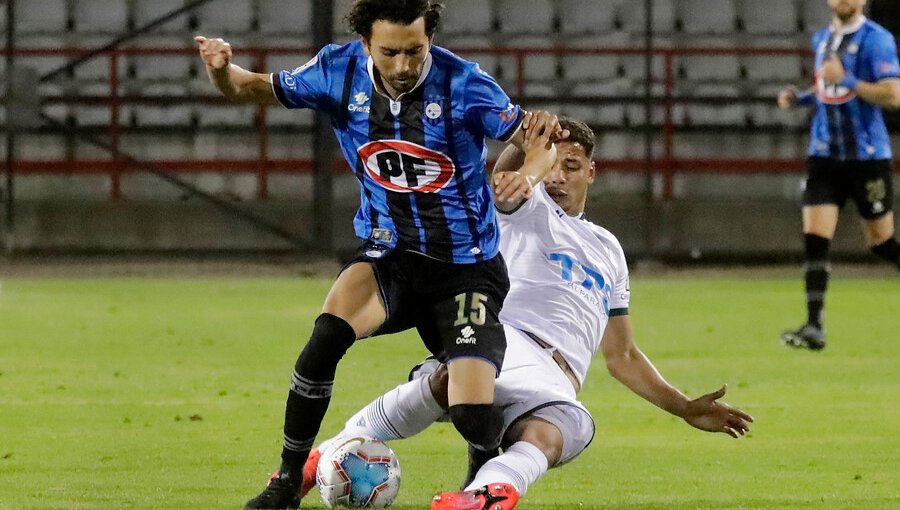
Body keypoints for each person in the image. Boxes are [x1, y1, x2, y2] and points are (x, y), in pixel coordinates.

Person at [196, 1, 566, 508]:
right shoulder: (336, 70)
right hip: (390, 255)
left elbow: (541, 137)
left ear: (428, 41)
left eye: (415, 51)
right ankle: (286, 479)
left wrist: (528, 175)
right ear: (366, 44)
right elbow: (246, 86)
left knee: (470, 409)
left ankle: (481, 467)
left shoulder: (465, 83)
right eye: (390, 52)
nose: (403, 65)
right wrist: (221, 71)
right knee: (324, 339)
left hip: (467, 269)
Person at [301, 118, 755, 510]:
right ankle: (326, 454)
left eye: (571, 167)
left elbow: (623, 356)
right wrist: (527, 133)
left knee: (562, 431)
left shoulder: (609, 250)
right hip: (505, 340)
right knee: (450, 381)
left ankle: (483, 494)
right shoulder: (526, 206)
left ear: (592, 172)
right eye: (552, 165)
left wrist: (683, 408)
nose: (557, 177)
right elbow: (504, 179)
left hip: (556, 382)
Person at [777, 0, 900, 351]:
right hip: (824, 154)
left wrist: (846, 78)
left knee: (882, 244)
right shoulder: (822, 39)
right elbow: (826, 89)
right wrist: (801, 99)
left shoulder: (877, 40)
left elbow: (893, 94)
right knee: (815, 238)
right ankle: (814, 326)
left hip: (867, 158)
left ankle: (814, 325)